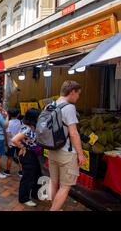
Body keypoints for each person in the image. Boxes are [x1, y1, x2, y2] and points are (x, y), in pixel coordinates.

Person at [49, 81, 85, 211]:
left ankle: (55, 207)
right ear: (72, 92)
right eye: (78, 94)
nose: (78, 97)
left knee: (54, 182)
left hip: (52, 150)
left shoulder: (50, 105)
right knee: (65, 186)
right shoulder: (69, 108)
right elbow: (74, 133)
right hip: (66, 153)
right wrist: (81, 154)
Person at [11, 108, 42, 207]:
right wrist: (23, 147)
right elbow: (14, 139)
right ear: (34, 118)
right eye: (39, 116)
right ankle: (24, 198)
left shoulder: (31, 126)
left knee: (37, 174)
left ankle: (35, 194)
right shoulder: (27, 128)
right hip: (28, 155)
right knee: (28, 177)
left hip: (32, 154)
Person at [5, 108, 23, 177]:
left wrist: (7, 142)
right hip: (19, 143)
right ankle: (21, 171)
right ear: (18, 115)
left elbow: (8, 134)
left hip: (11, 143)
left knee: (10, 157)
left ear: (9, 114)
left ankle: (7, 171)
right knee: (20, 157)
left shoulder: (8, 123)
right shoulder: (21, 122)